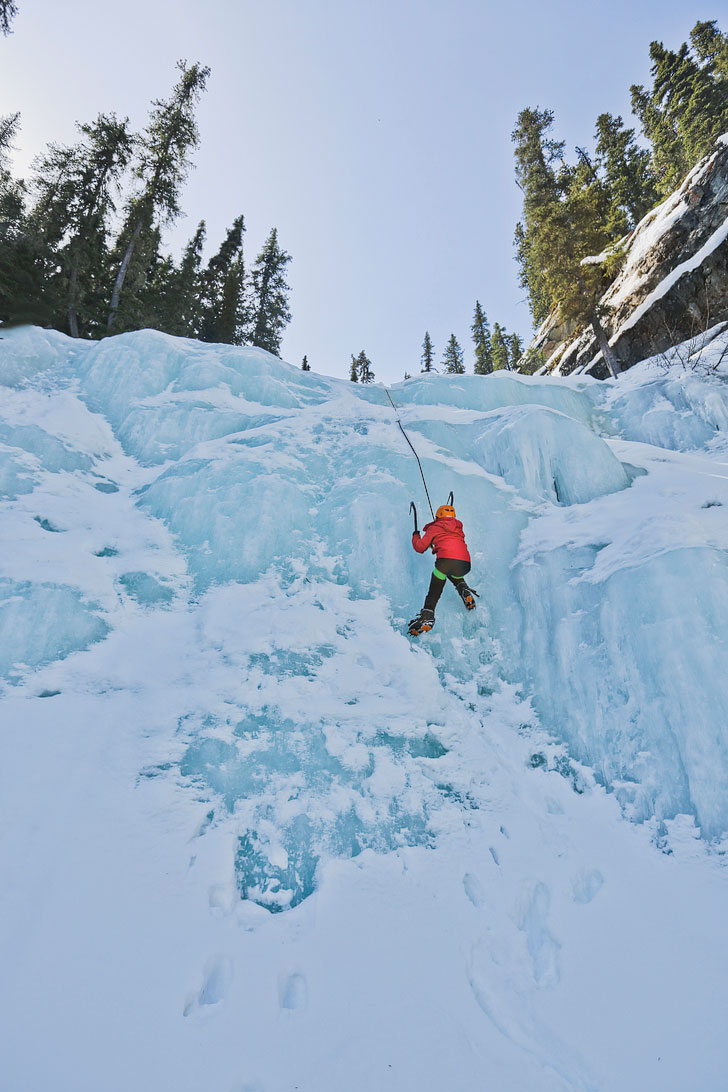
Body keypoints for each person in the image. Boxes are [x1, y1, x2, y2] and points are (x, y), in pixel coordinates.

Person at [408, 502, 478, 635]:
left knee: (434, 590)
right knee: (453, 570)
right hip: (465, 564)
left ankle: (427, 615)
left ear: (438, 516)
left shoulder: (434, 527)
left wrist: (416, 535)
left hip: (445, 563)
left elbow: (420, 547)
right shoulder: (458, 528)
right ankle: (464, 589)